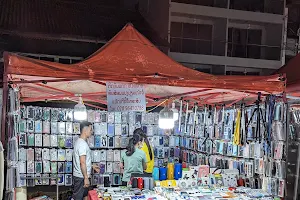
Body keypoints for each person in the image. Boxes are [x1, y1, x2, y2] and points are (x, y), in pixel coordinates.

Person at [73, 121, 100, 200]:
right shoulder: (82, 144)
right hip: (81, 177)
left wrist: (91, 166)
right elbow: (82, 162)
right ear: (85, 130)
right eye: (90, 129)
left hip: (81, 176)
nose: (92, 132)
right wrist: (85, 178)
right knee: (78, 198)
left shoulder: (80, 142)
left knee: (85, 196)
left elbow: (82, 161)